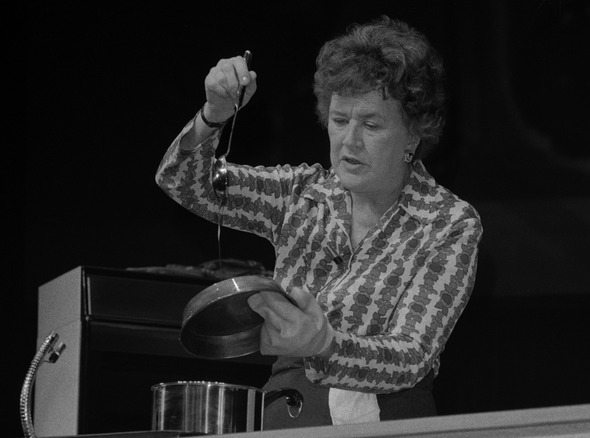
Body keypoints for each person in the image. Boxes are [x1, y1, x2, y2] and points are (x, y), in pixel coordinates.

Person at [156, 16, 482, 429]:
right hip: (288, 417)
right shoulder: (300, 194)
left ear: (414, 134)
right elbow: (182, 182)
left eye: (371, 124)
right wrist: (213, 114)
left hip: (388, 422)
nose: (350, 141)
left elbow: (411, 355)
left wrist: (325, 344)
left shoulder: (448, 222)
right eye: (340, 120)